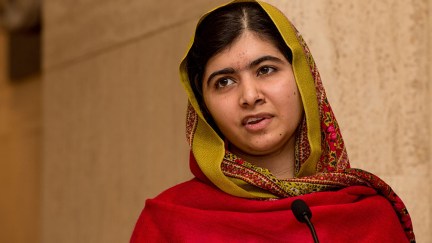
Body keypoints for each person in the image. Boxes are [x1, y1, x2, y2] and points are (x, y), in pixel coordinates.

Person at [131, 0, 415, 242]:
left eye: (266, 70)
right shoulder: (169, 224)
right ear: (203, 106)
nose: (250, 96)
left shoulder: (368, 216)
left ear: (304, 78)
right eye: (224, 81)